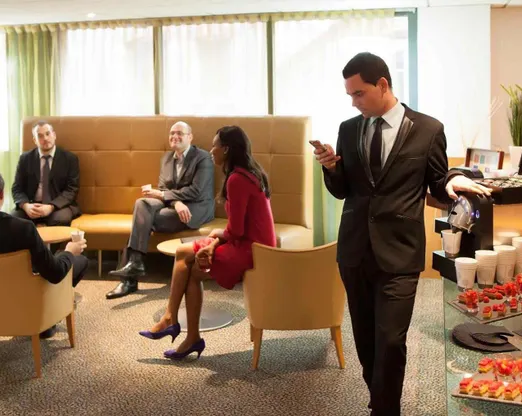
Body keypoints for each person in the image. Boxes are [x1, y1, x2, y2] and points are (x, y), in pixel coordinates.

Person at [313, 52, 491, 416]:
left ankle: (385, 409)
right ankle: (379, 400)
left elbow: (438, 182)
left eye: (359, 93)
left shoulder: (428, 129)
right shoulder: (348, 129)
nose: (353, 102)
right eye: (349, 95)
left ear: (382, 85)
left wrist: (455, 178)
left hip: (400, 253)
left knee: (391, 340)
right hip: (355, 251)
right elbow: (344, 190)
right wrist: (331, 168)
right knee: (366, 339)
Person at [138, 125, 276, 360]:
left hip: (252, 248)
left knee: (187, 260)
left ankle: (174, 322)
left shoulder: (237, 179)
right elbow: (239, 227)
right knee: (188, 262)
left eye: (215, 146)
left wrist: (216, 237)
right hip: (254, 243)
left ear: (227, 149)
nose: (211, 151)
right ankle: (183, 330)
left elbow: (237, 230)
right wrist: (216, 239)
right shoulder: (249, 172)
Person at [106, 121, 215, 300]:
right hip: (174, 205)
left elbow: (196, 191)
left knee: (142, 221)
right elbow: (164, 187)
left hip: (197, 207)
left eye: (180, 133)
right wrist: (176, 202)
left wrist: (167, 197)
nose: (175, 136)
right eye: (172, 133)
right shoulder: (166, 158)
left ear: (190, 137)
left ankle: (129, 279)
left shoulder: (203, 158)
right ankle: (135, 263)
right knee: (142, 204)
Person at [0, 173, 88, 339]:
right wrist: (70, 251)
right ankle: (45, 320)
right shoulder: (23, 229)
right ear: (2, 195)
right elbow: (55, 273)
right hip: (24, 300)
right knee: (79, 261)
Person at [11, 121, 81, 226]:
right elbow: (17, 188)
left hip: (58, 206)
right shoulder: (25, 159)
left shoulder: (70, 159)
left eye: (48, 134)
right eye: (40, 136)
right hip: (32, 205)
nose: (45, 138)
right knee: (13, 219)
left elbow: (72, 189)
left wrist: (51, 207)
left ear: (54, 135)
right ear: (35, 140)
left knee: (59, 219)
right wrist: (25, 206)